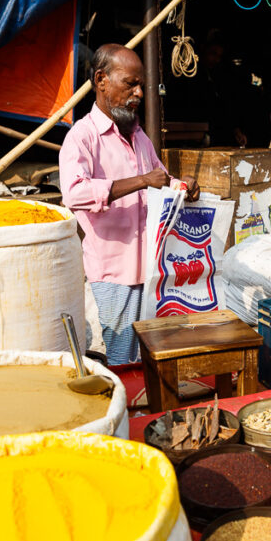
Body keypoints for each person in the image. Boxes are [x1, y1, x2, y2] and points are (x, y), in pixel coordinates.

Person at [59, 44, 200, 365]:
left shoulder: (138, 136)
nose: (137, 93)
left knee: (152, 355)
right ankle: (129, 415)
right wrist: (140, 181)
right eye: (129, 84)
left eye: (141, 86)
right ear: (101, 80)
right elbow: (74, 193)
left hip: (151, 269)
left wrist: (183, 186)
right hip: (114, 272)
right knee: (124, 359)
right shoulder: (82, 137)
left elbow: (160, 181)